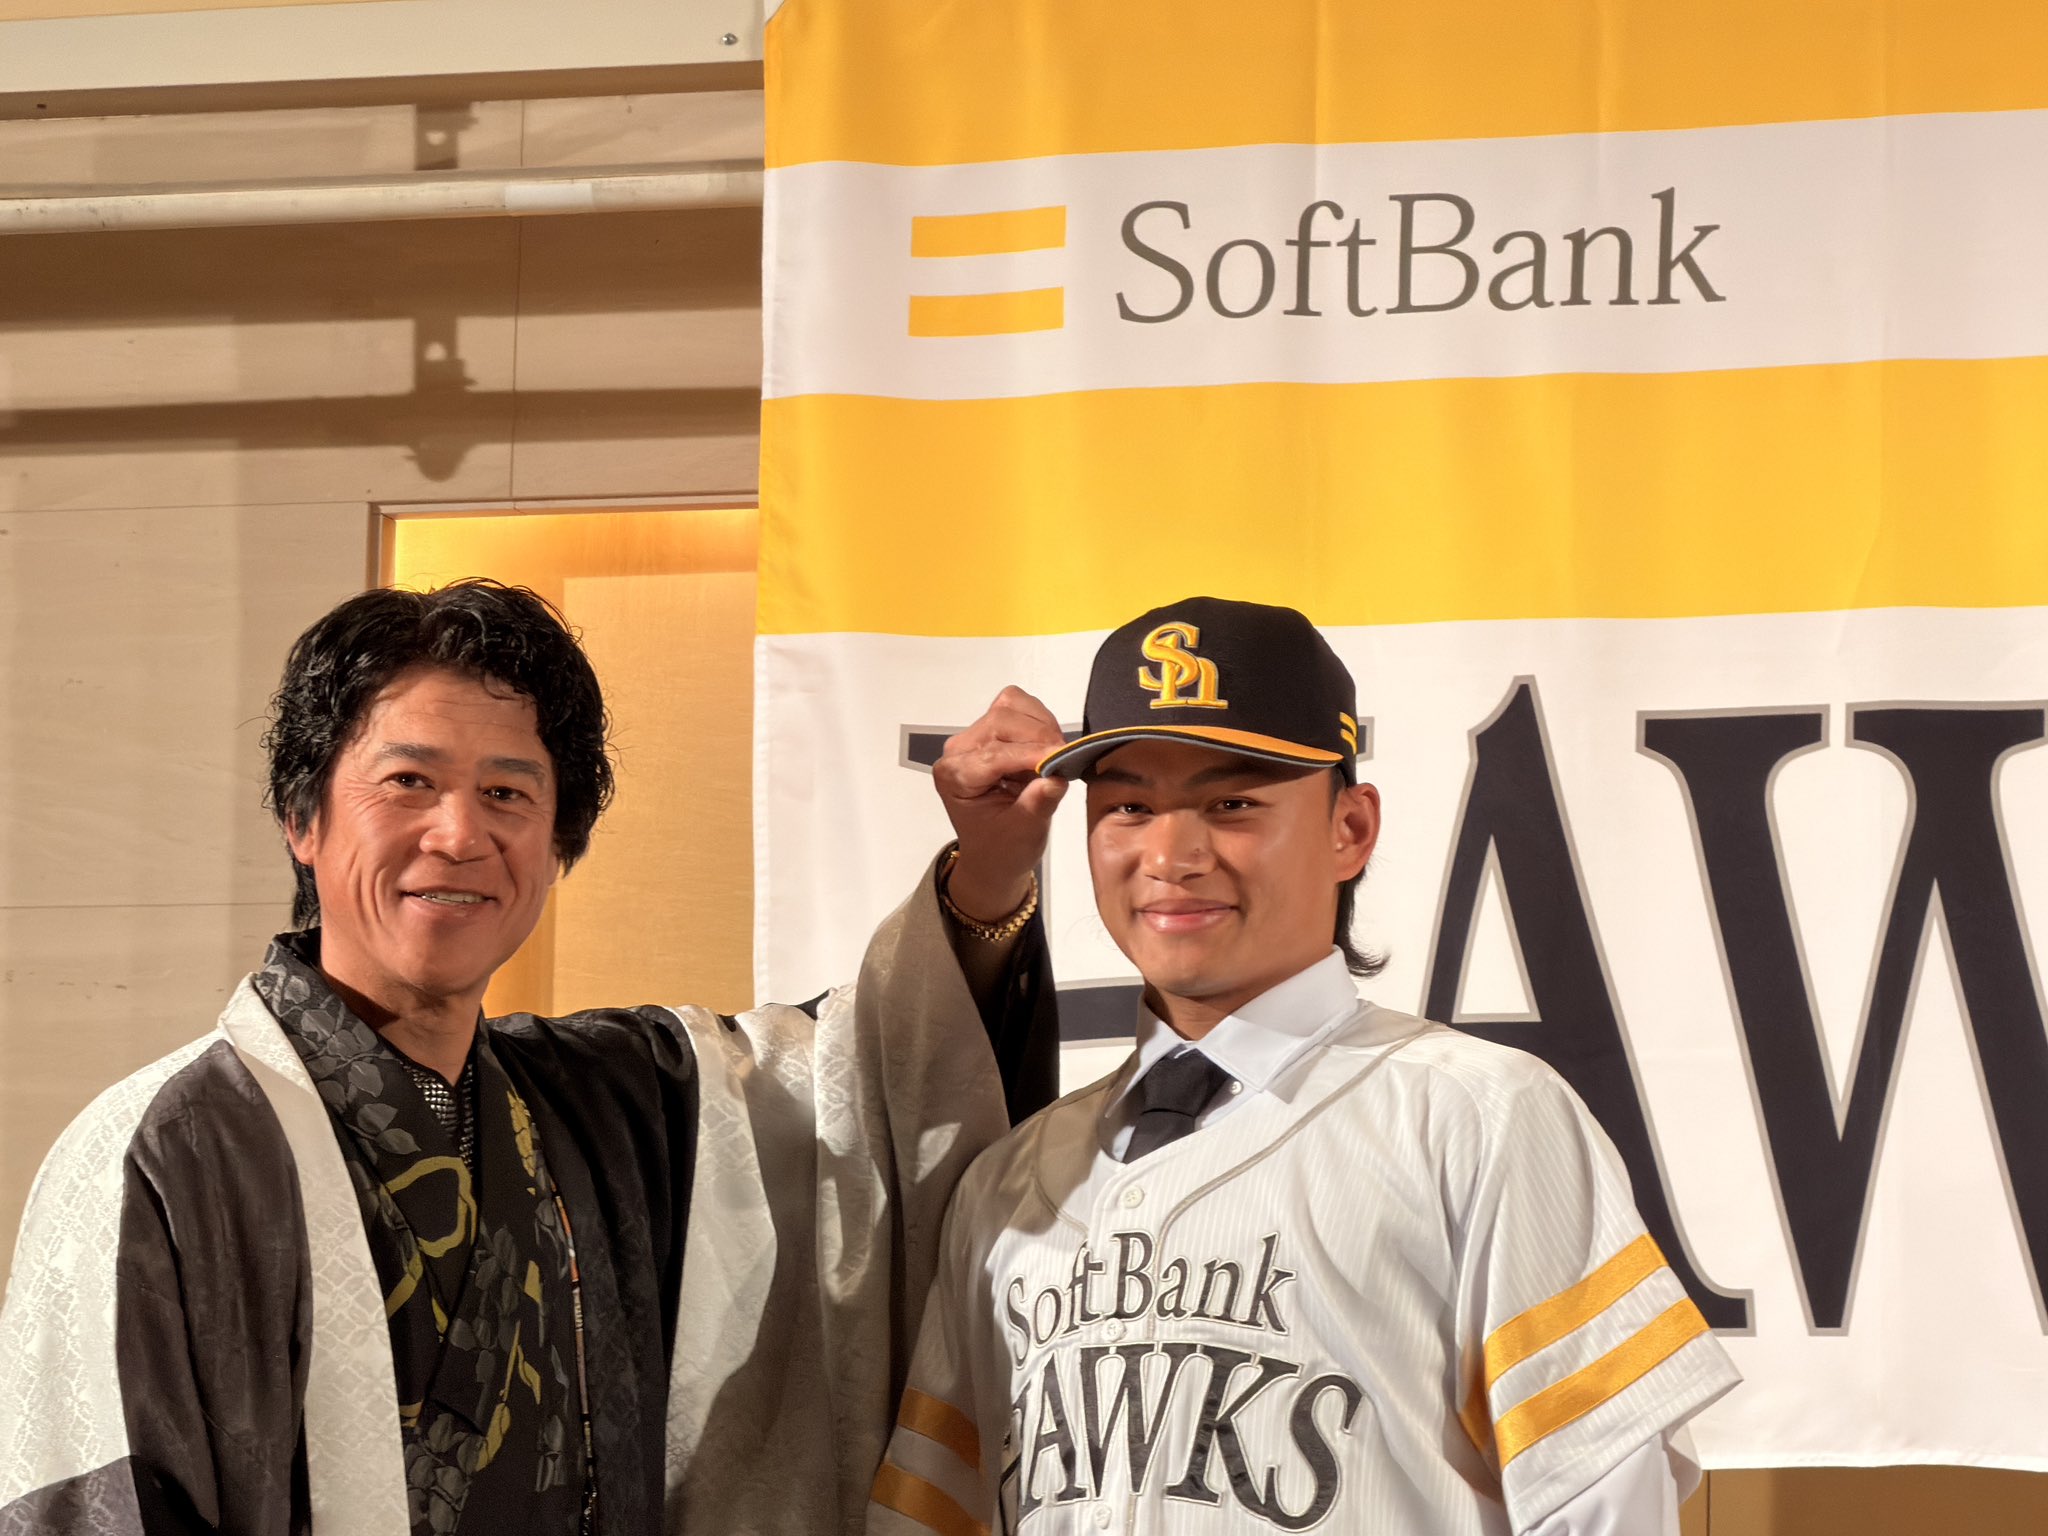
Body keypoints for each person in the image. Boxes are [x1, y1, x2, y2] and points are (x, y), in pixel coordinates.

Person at [0, 579, 1066, 1536]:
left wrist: (986, 872)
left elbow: (870, 1085)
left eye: (508, 794)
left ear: (558, 847)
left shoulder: (615, 1109)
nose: (460, 834)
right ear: (302, 818)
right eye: (408, 781)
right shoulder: (169, 1150)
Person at [868, 597, 1740, 1536]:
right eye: (1129, 806)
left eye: (1231, 803)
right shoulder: (1006, 1184)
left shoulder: (1480, 1116)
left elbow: (1604, 1505)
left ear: (1349, 829)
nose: (1171, 854)